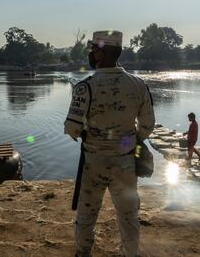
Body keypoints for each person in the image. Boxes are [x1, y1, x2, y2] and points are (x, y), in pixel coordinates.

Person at [64, 30, 155, 257]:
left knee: (87, 215)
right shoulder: (138, 85)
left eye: (94, 49)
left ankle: (83, 252)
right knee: (128, 216)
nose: (91, 54)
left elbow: (72, 129)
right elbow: (147, 126)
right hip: (126, 162)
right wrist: (129, 141)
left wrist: (88, 131)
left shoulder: (85, 87)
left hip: (93, 162)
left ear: (102, 54)